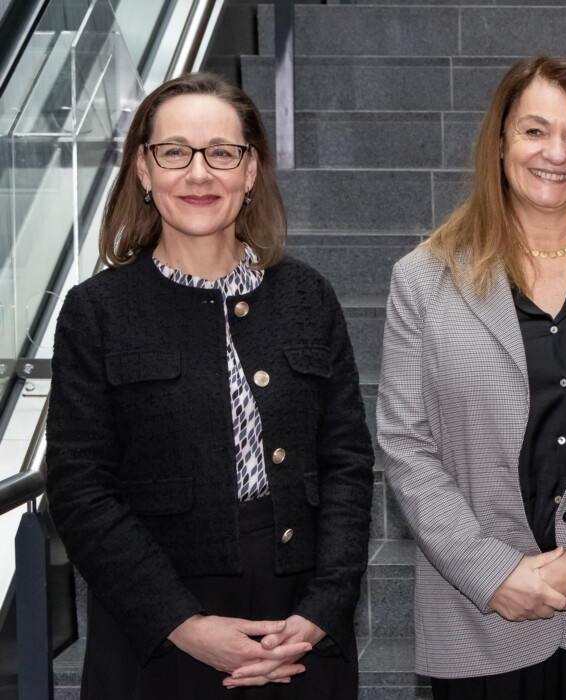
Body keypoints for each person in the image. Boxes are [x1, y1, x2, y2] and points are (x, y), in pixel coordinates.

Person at [45, 73, 374, 698]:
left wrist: (322, 611)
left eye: (222, 153)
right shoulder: (97, 311)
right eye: (175, 152)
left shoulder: (308, 297)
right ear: (143, 169)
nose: (200, 174)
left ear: (251, 172)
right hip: (157, 627)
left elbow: (348, 466)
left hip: (297, 625)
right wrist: (184, 624)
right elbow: (81, 489)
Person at [377, 56, 566, 700]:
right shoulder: (424, 277)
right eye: (534, 130)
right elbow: (406, 445)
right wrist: (493, 573)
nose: (556, 153)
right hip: (478, 611)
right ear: (500, 142)